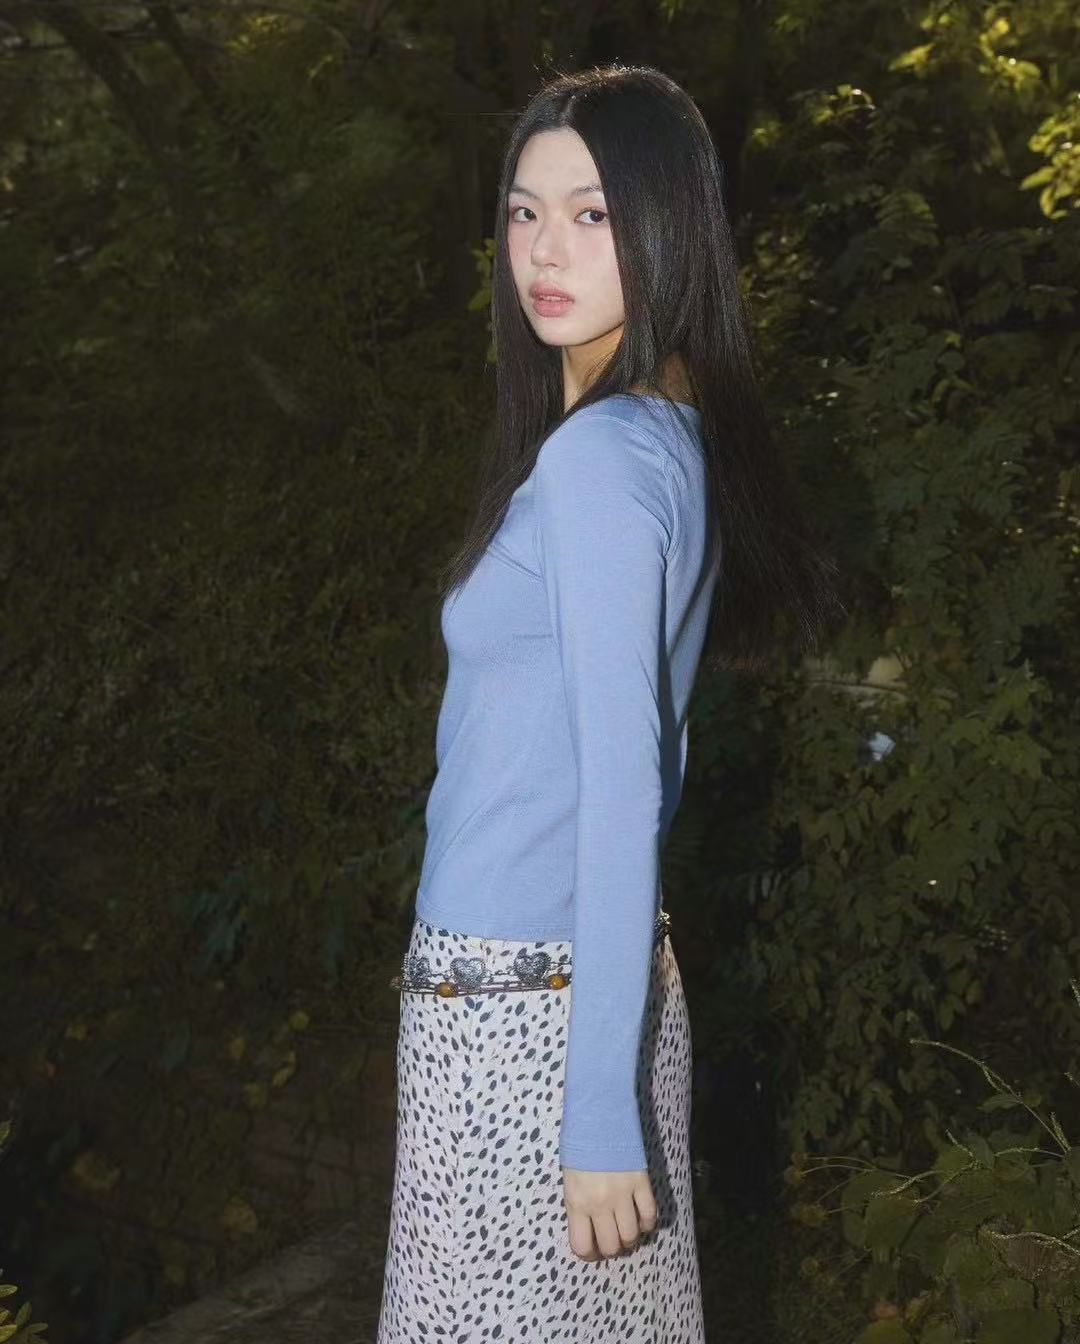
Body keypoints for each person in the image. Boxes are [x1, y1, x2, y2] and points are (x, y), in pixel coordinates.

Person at [377, 61, 843, 1344]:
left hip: (518, 1018)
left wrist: (595, 1118)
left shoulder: (599, 461)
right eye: (523, 212)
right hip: (597, 998)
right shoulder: (667, 437)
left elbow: (625, 783)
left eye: (591, 214)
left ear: (667, 224)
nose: (544, 249)